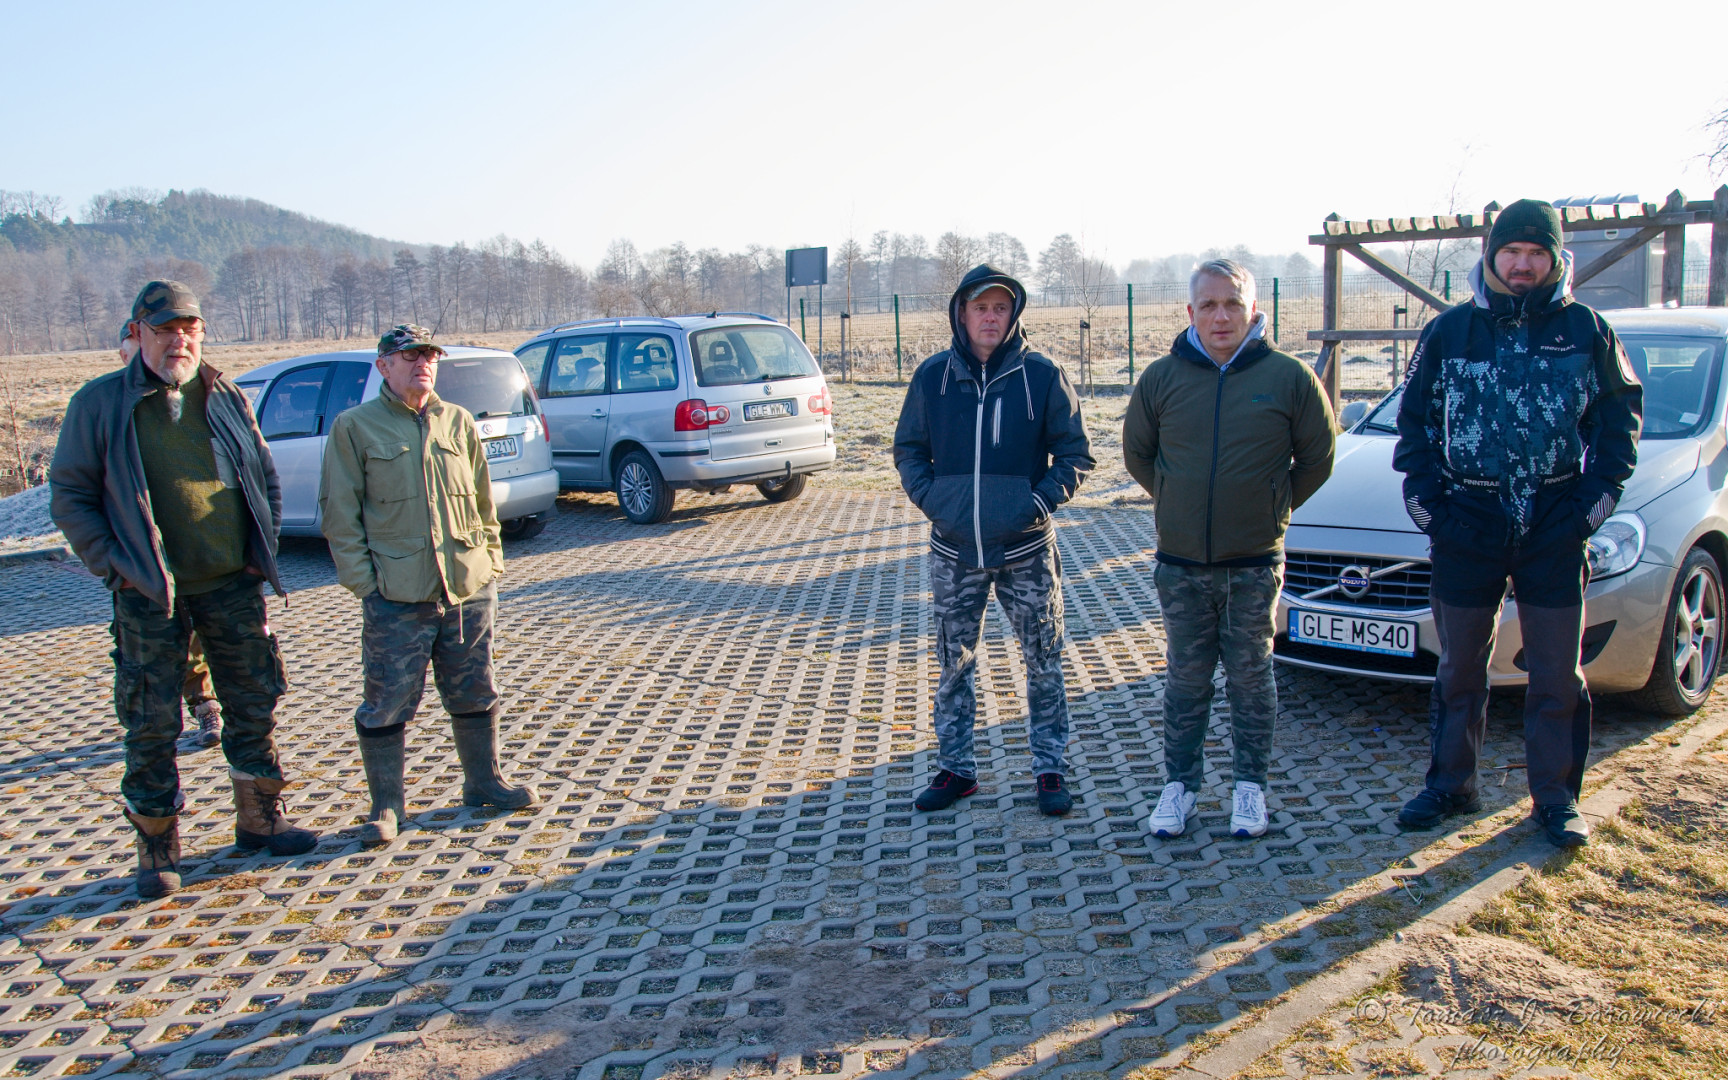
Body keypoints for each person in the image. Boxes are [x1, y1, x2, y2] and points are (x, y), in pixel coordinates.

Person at [52, 281, 317, 898]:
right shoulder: (101, 403)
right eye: (166, 329)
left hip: (231, 583)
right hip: (150, 591)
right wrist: (113, 565)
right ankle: (157, 843)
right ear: (138, 333)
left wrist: (260, 552)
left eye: (190, 329)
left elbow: (263, 475)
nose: (180, 341)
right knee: (150, 718)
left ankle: (260, 819)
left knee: (254, 700)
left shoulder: (224, 394)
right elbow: (70, 495)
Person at [1394, 199, 1642, 848]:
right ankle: (1450, 786)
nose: (1523, 264)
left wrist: (1586, 510)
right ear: (1491, 255)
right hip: (1468, 522)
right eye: (1512, 251)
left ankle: (1556, 800)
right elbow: (1414, 425)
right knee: (1458, 670)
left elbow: (1620, 426)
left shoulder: (1587, 330)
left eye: (1537, 253)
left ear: (1556, 259)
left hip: (1553, 523)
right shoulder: (1450, 332)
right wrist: (1435, 512)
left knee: (1557, 675)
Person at [1123, 259, 1336, 840]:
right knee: (1186, 680)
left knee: (1251, 678)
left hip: (1253, 564)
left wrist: (1271, 505)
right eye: (1210, 305)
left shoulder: (1290, 378)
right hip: (1181, 564)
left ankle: (1250, 787)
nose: (1222, 316)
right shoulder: (1162, 379)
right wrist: (1177, 500)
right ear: (1191, 312)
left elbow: (1318, 458)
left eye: (1233, 303)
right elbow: (1138, 455)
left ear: (1253, 310)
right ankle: (1180, 787)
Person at [320, 324, 536, 844]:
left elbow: (483, 499)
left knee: (476, 689)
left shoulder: (457, 420)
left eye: (430, 356)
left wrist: (490, 562)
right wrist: (365, 583)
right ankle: (387, 805)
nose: (423, 364)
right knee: (387, 700)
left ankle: (483, 782)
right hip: (397, 593)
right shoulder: (355, 427)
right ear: (384, 366)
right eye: (411, 356)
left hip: (466, 587)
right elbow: (340, 514)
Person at [893, 265, 1094, 816]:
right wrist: (935, 501)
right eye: (981, 307)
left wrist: (1035, 504)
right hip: (954, 551)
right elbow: (909, 449)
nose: (990, 317)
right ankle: (956, 770)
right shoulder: (932, 377)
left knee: (1043, 659)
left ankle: (1049, 769)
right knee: (953, 662)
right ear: (962, 313)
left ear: (1013, 315)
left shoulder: (1043, 375)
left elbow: (1075, 454)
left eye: (1000, 308)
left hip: (1027, 551)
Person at [117, 320, 223, 750]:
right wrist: (110, 560)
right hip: (142, 565)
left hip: (202, 554)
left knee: (203, 638)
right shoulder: (110, 407)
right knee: (145, 658)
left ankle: (205, 704)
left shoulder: (199, 398)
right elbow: (76, 494)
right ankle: (155, 727)